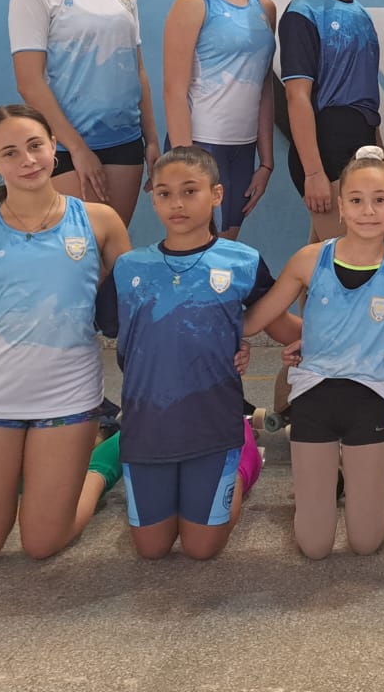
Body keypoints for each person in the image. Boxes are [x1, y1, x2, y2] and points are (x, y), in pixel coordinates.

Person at [0, 106, 131, 560]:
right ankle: (32, 479)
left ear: (54, 146)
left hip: (68, 397)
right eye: (10, 152)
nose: (27, 160)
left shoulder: (100, 221)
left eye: (35, 145)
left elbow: (139, 309)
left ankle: (102, 465)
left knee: (42, 544)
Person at [85, 148, 273, 558]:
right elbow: (92, 325)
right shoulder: (129, 268)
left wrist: (317, 342)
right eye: (165, 193)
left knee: (202, 549)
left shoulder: (243, 261)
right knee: (151, 549)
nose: (177, 203)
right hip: (147, 428)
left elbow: (277, 319)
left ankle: (245, 460)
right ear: (153, 199)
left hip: (214, 425)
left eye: (190, 191)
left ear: (217, 194)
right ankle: (123, 455)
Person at [243, 147, 384, 557]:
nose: (368, 211)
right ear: (341, 207)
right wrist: (219, 336)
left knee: (366, 542)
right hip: (313, 397)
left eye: (379, 200)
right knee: (314, 546)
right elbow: (257, 319)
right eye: (356, 200)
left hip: (368, 398)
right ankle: (336, 476)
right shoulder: (310, 260)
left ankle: (382, 460)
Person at [10, 0, 158, 227]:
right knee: (76, 249)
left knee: (113, 247)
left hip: (124, 141)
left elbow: (137, 71)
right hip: (66, 147)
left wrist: (151, 139)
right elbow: (29, 83)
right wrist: (77, 148)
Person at [162, 0, 278, 238]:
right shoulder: (192, 4)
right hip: (201, 144)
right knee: (200, 243)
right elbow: (174, 90)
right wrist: (185, 164)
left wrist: (266, 161)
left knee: (226, 244)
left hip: (243, 148)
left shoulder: (265, 7)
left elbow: (264, 87)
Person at [280, 0, 381, 245]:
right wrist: (313, 172)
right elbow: (297, 97)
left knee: (323, 258)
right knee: (354, 256)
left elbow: (366, 97)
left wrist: (379, 154)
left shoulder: (359, 12)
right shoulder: (302, 12)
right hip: (327, 147)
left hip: (361, 141)